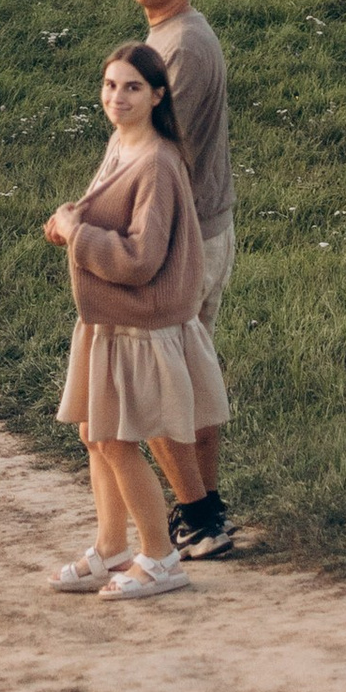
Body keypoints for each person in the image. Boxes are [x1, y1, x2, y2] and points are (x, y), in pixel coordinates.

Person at [42, 42, 228, 602]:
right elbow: (101, 215)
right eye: (110, 86)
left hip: (141, 325)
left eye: (131, 88)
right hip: (107, 319)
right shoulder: (122, 144)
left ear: (158, 96)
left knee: (116, 439)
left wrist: (78, 235)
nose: (116, 97)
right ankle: (113, 549)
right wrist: (70, 223)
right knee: (93, 436)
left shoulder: (158, 162)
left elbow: (143, 257)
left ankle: (160, 556)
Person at [126, 0, 237, 559]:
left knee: (155, 379)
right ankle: (199, 514)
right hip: (195, 229)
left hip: (183, 239)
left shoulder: (183, 48)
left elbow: (157, 156)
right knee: (188, 376)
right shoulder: (173, 38)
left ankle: (200, 512)